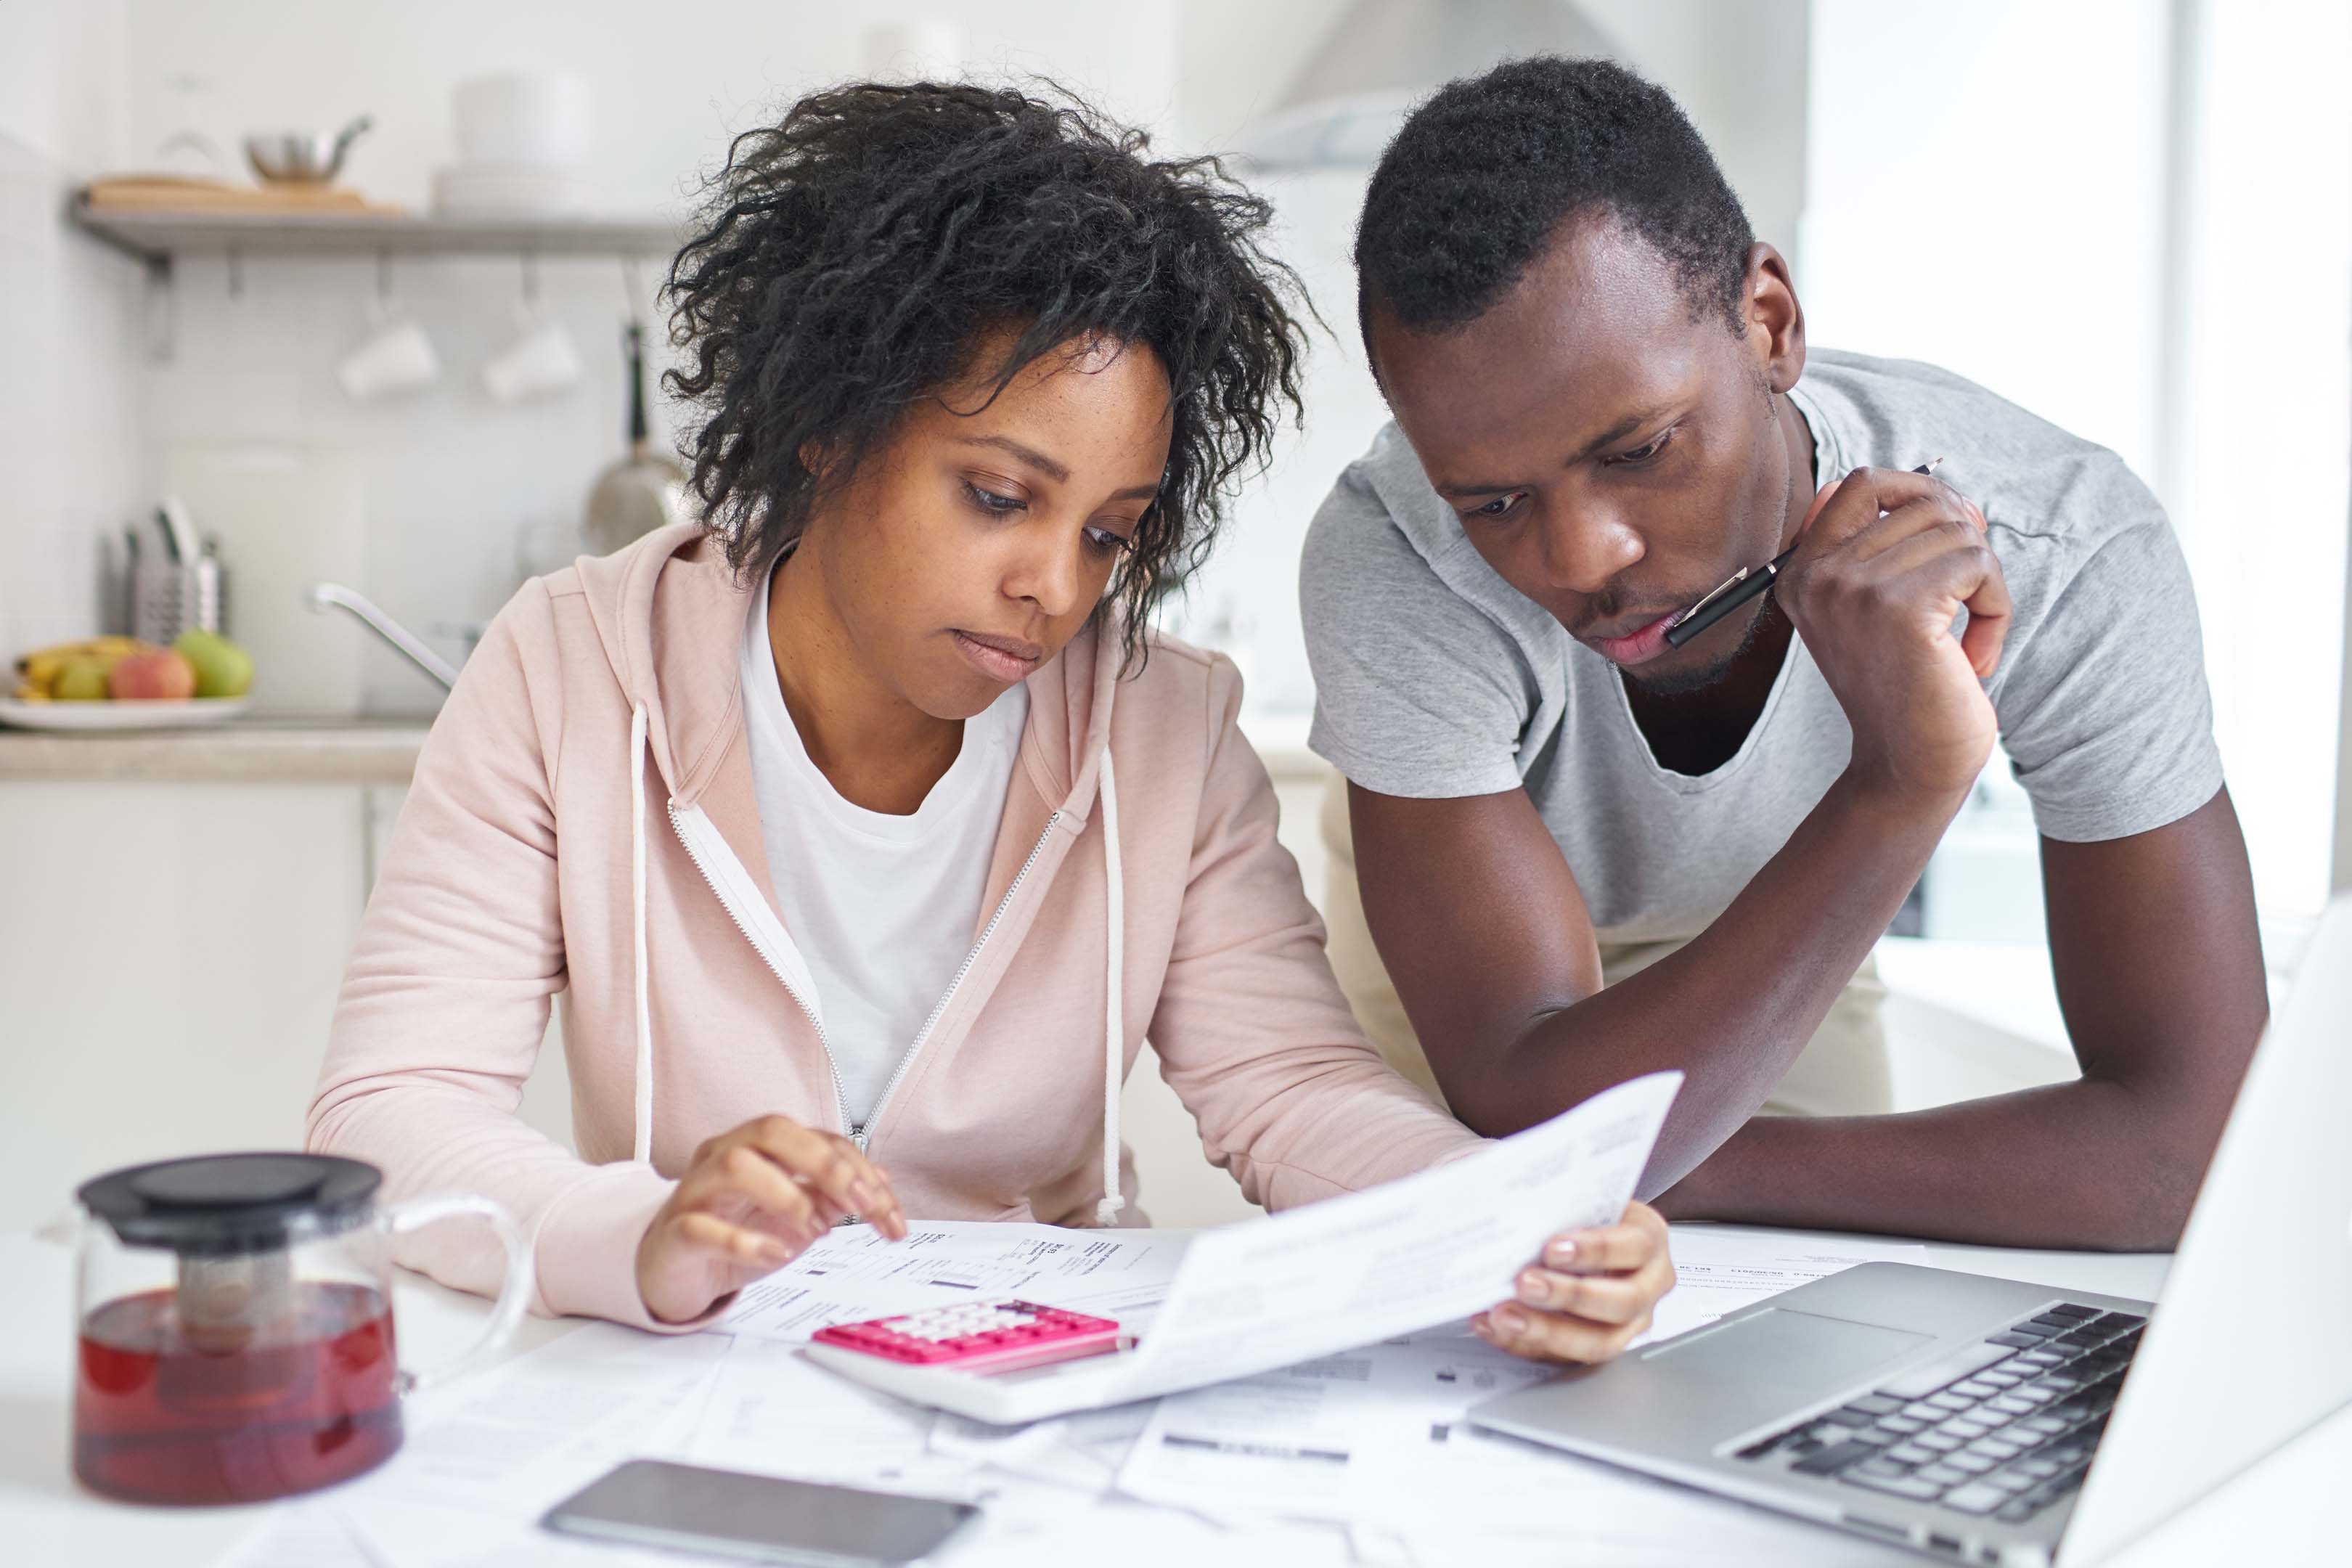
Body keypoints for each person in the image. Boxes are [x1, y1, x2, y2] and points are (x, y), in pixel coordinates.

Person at [309, 81, 1670, 1358]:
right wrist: (640, 1234)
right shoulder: (571, 666)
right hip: (692, 1363)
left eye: (1110, 535)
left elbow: (1293, 1091)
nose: (1054, 588)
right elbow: (393, 1113)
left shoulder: (1165, 729)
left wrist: (1506, 1221)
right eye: (1000, 498)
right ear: (829, 425)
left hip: (1038, 1381)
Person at [1302, 58, 2267, 1250]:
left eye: (1642, 448)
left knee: (1799, 1343)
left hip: (1785, 917)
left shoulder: (2060, 538)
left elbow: (2188, 1156)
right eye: (1494, 503)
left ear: (1769, 323)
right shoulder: (1395, 555)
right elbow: (1513, 1086)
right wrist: (1900, 784)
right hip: (1474, 984)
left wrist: (1628, 1167)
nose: (1583, 558)